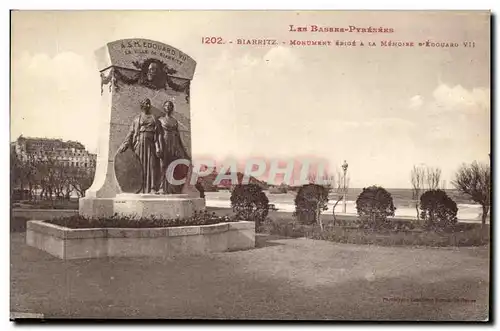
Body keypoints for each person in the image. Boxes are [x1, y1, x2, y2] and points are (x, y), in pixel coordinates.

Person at [118, 98, 162, 194]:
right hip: (140, 143)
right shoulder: (137, 119)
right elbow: (131, 133)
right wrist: (125, 144)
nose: (148, 105)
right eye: (146, 104)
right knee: (139, 166)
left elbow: (158, 134)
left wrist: (158, 147)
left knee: (152, 165)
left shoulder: (154, 118)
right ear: (142, 105)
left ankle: (152, 187)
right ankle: (139, 188)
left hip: (151, 144)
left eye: (149, 104)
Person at [158, 101, 190, 194]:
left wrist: (181, 148)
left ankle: (171, 188)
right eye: (166, 106)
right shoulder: (160, 120)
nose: (168, 107)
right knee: (163, 165)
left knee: (173, 166)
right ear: (164, 107)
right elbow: (158, 135)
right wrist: (158, 146)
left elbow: (178, 135)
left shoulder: (175, 121)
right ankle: (161, 186)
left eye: (170, 106)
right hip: (164, 143)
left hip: (174, 144)